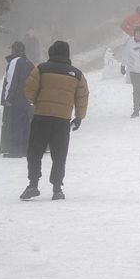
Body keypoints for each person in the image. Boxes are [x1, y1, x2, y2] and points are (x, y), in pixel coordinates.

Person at [21, 40, 89, 201]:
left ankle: (33, 184)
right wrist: (79, 117)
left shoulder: (41, 69)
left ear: (51, 52)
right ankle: (57, 188)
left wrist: (36, 101)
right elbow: (82, 97)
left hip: (41, 117)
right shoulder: (77, 74)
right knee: (59, 154)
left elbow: (28, 89)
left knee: (35, 151)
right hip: (62, 120)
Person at [0, 40, 35, 157]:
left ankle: (15, 150)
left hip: (16, 99)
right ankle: (25, 149)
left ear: (14, 50)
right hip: (27, 99)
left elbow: (11, 81)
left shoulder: (15, 62)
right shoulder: (29, 63)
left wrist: (7, 98)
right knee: (25, 124)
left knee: (15, 124)